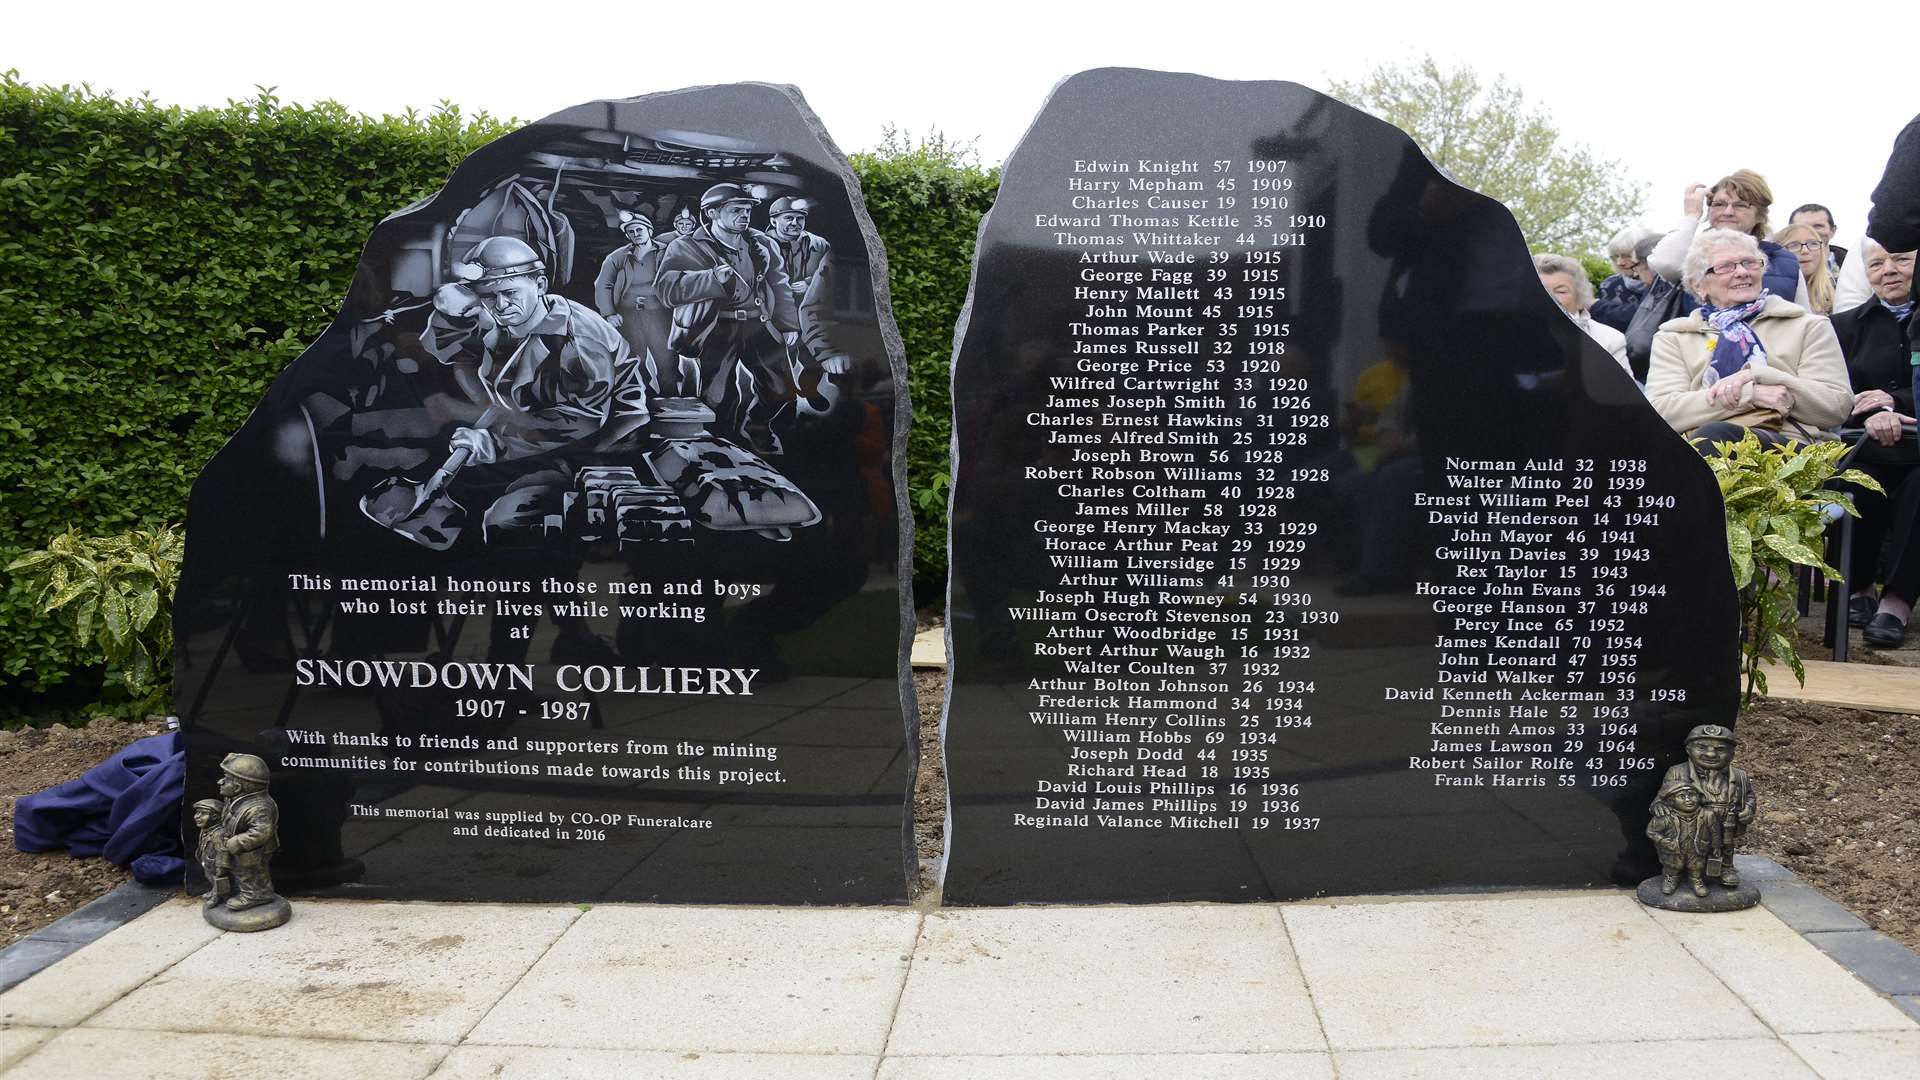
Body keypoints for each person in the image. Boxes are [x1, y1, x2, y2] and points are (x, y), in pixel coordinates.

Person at [422, 236, 650, 539]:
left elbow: (579, 420)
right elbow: (446, 349)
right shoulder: (508, 315)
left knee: (505, 521)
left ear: (540, 284)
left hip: (596, 448)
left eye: (509, 292)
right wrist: (449, 310)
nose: (500, 306)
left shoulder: (578, 340)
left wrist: (494, 444)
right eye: (488, 297)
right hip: (527, 427)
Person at [1647, 228, 1852, 449]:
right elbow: (1661, 412)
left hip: (1791, 448)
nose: (1743, 272)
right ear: (1698, 285)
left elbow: (1836, 407)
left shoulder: (1807, 325)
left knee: (1715, 436)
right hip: (1699, 449)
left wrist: (1759, 375)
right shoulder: (1675, 337)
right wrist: (1749, 395)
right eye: (1726, 267)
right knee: (1710, 437)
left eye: (1750, 263)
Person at [657, 183, 802, 454]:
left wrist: (788, 324)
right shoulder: (685, 246)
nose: (744, 215)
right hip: (717, 327)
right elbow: (667, 288)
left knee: (781, 389)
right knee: (717, 396)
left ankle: (756, 427)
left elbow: (779, 284)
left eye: (747, 210)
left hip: (758, 324)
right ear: (711, 213)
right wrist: (711, 279)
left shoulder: (762, 243)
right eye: (736, 210)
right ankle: (720, 447)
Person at [1832, 240, 1920, 647]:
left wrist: (1894, 401)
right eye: (1876, 264)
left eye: (1901, 259)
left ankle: (1897, 603)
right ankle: (1858, 587)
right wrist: (1870, 413)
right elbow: (1832, 391)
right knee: (1860, 482)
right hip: (1862, 444)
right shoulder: (1844, 326)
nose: (1889, 270)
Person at [1648, 170, 1806, 307]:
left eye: (1740, 205)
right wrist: (1691, 215)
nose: (1728, 212)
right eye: (1719, 204)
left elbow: (1804, 318)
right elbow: (1664, 262)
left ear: (1760, 215)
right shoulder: (1695, 255)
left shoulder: (1784, 261)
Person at [1657, 725, 1756, 890]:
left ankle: (1726, 868)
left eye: (1720, 749)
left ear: (1732, 754)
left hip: (1727, 818)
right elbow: (1663, 796)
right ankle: (1679, 873)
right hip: (1693, 820)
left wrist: (1749, 809)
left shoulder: (1740, 776)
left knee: (1726, 845)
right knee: (1688, 848)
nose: (1711, 754)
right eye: (1701, 747)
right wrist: (1660, 806)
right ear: (1688, 749)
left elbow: (1749, 796)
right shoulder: (1676, 772)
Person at [594, 211, 675, 394]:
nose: (636, 233)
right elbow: (603, 285)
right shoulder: (618, 257)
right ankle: (643, 397)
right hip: (628, 314)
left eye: (640, 229)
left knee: (665, 358)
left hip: (659, 313)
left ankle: (670, 396)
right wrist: (609, 313)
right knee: (634, 357)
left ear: (650, 231)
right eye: (631, 231)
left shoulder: (668, 251)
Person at [1534, 253, 1630, 373]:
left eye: (1561, 291)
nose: (1550, 298)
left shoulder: (1610, 340)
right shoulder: (1511, 336)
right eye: (1540, 290)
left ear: (1579, 299)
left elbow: (1621, 389)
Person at [217, 754, 280, 911]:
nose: (220, 781)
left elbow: (261, 831)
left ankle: (257, 895)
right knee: (240, 871)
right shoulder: (236, 799)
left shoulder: (258, 807)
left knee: (251, 873)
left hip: (254, 850)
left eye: (226, 778)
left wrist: (237, 842)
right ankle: (242, 891)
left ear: (238, 787)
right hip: (239, 848)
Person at [1647, 781, 1716, 897]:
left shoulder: (1707, 815)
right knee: (1673, 865)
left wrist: (1716, 846)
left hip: (1697, 847)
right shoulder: (1665, 817)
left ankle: (1696, 881)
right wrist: (1662, 841)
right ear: (1671, 801)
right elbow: (1651, 831)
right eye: (1682, 796)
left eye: (1692, 795)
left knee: (1696, 865)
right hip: (1673, 848)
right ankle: (1670, 879)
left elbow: (1715, 832)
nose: (1688, 799)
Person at [1591, 226, 1655, 331]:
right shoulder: (1609, 285)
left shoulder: (1667, 283)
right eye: (1615, 256)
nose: (1620, 262)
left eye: (1627, 256)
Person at [1770, 222, 1836, 315]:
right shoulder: (1771, 295)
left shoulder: (1835, 290)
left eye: (1813, 244)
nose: (1805, 251)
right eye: (1794, 245)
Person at [192, 798, 230, 908]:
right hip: (208, 862)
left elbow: (223, 851)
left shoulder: (219, 833)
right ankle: (214, 892)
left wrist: (222, 868)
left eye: (203, 813)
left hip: (216, 865)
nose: (197, 816)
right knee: (210, 877)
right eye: (197, 812)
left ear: (215, 816)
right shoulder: (205, 830)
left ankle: (217, 897)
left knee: (219, 881)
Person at [1789, 203, 1848, 274]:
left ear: (1832, 231)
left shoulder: (1857, 265)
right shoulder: (1776, 268)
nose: (1811, 231)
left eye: (1818, 226)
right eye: (1803, 227)